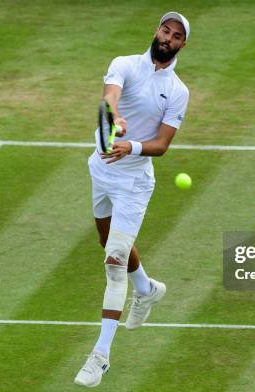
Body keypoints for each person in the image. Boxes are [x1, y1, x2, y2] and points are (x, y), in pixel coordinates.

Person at [74, 11, 190, 388]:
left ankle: (100, 356)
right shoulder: (124, 64)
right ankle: (146, 289)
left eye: (175, 36)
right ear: (157, 31)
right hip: (101, 169)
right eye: (164, 30)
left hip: (133, 184)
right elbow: (109, 96)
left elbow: (162, 144)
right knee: (105, 242)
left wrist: (131, 146)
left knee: (113, 261)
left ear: (182, 45)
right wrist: (116, 116)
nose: (167, 38)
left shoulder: (178, 92)